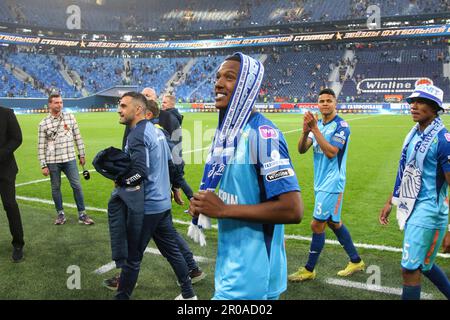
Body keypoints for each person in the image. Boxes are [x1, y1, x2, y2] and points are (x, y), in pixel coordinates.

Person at [189, 53, 303, 300]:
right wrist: (206, 205)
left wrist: (222, 210)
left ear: (248, 86)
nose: (218, 83)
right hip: (238, 266)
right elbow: (238, 193)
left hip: (249, 277)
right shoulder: (227, 135)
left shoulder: (262, 135)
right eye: (218, 77)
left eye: (229, 77)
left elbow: (293, 210)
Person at [103, 98, 205, 291]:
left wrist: (122, 181)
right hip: (161, 203)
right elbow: (171, 164)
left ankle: (123, 289)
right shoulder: (157, 131)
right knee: (171, 248)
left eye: (123, 106)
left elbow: (140, 171)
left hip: (148, 205)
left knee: (133, 256)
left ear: (140, 110)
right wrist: (173, 187)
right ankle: (189, 290)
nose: (119, 110)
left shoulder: (139, 134)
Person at [379, 84, 450, 300]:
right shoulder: (414, 135)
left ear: (434, 107)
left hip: (428, 212)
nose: (413, 106)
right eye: (412, 102)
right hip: (414, 208)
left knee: (410, 269)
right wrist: (391, 201)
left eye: (420, 102)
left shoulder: (443, 140)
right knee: (424, 265)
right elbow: (407, 170)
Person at [289, 88, 365, 282]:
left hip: (332, 182)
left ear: (335, 103)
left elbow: (332, 152)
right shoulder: (319, 125)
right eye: (321, 101)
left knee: (317, 224)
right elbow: (301, 149)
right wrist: (305, 132)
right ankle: (356, 261)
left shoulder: (342, 126)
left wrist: (314, 129)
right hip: (320, 182)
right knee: (333, 222)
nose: (324, 104)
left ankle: (309, 269)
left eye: (328, 101)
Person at [38, 93, 94, 225]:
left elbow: (78, 137)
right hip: (52, 161)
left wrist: (82, 154)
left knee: (77, 186)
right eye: (56, 102)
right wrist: (43, 165)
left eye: (61, 102)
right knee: (55, 188)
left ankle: (82, 214)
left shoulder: (70, 117)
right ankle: (60, 214)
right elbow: (41, 146)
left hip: (70, 159)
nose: (59, 105)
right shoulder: (43, 124)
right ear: (50, 104)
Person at [0, 106, 25, 262]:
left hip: (5, 169)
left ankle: (18, 244)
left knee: (9, 204)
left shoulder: (6, 113)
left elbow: (17, 138)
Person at [159, 93, 193, 205]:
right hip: (176, 151)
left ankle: (193, 200)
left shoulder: (167, 117)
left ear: (171, 104)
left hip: (172, 153)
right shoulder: (175, 116)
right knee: (177, 179)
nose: (162, 104)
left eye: (164, 102)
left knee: (177, 179)